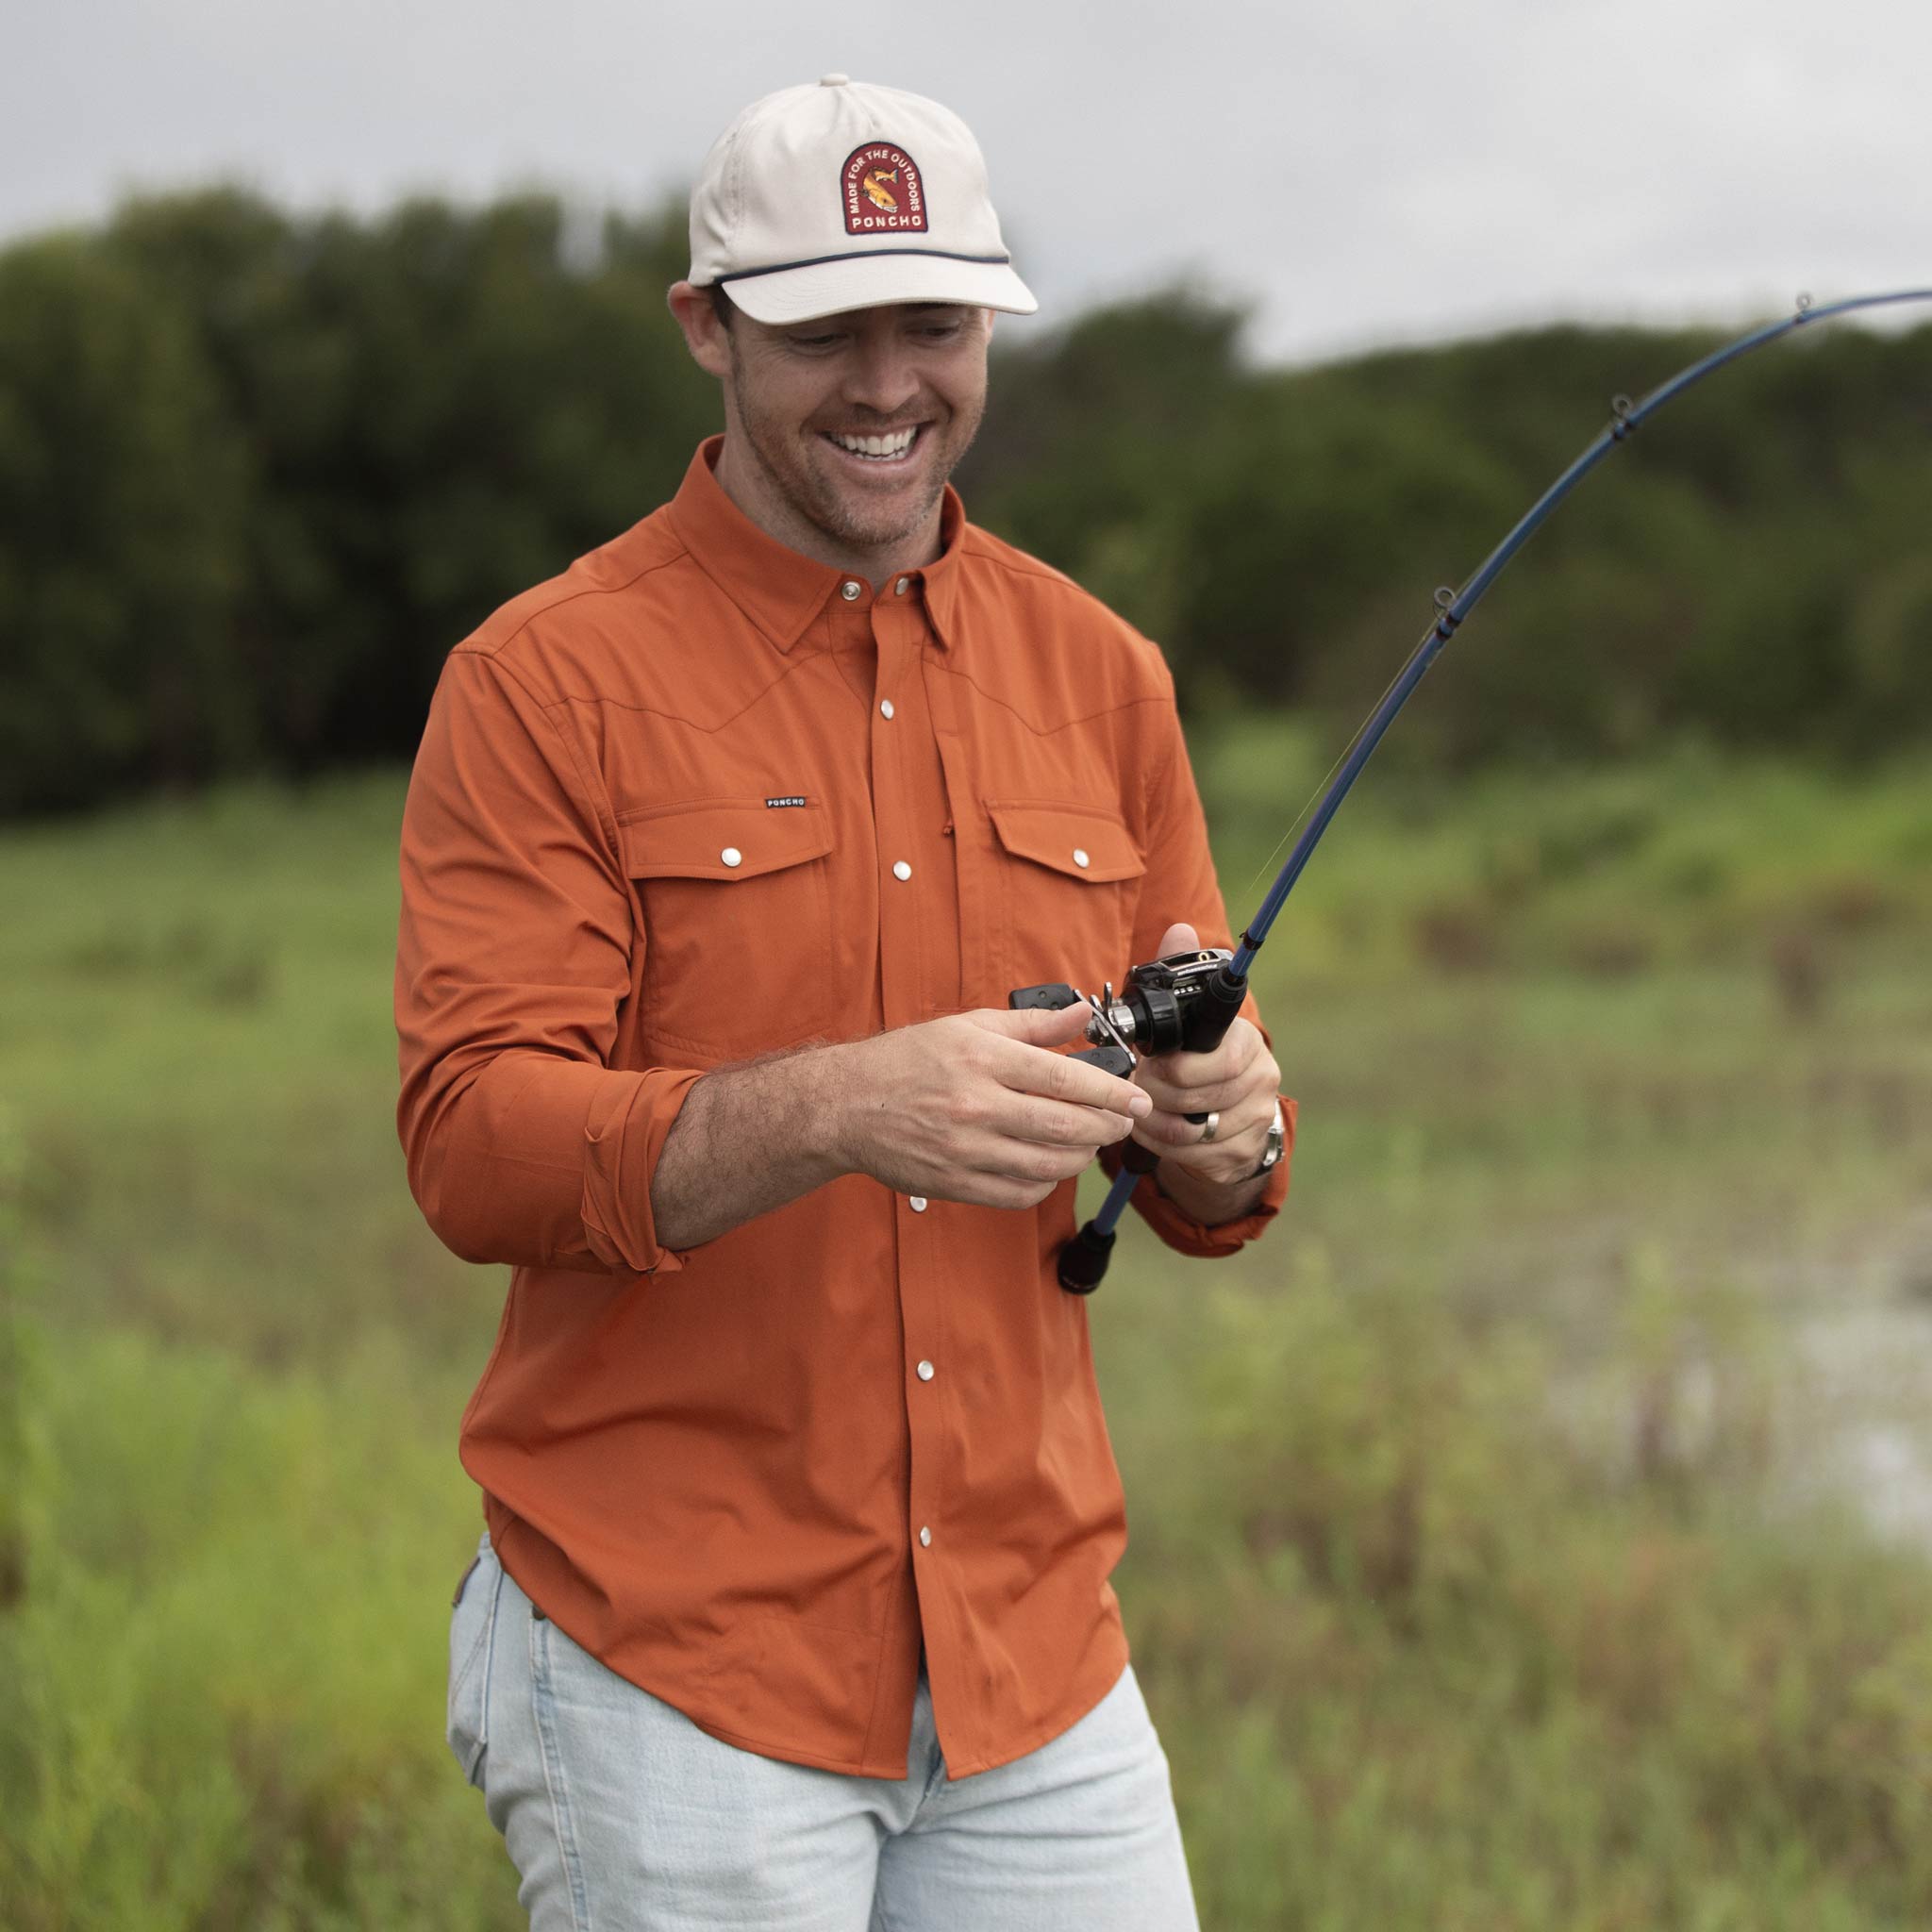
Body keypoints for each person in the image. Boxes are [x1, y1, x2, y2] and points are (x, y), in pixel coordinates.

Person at [395, 73, 1294, 1931]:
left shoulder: (1103, 674)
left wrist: (1221, 1140)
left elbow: (1201, 1161)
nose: (890, 383)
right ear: (706, 328)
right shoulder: (540, 680)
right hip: (672, 1660)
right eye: (822, 328)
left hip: (1035, 1657)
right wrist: (834, 1104)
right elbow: (475, 1143)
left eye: (936, 324)